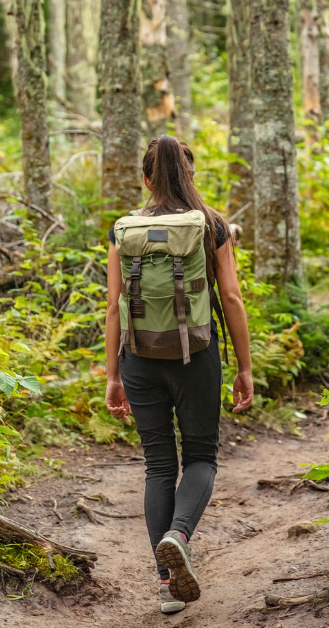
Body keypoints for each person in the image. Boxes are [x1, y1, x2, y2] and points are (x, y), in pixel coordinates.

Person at [104, 135, 255, 615]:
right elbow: (230, 299)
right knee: (202, 458)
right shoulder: (211, 225)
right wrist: (246, 368)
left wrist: (112, 376)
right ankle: (179, 533)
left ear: (145, 179)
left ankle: (167, 584)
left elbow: (113, 307)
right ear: (190, 177)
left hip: (139, 357)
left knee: (158, 466)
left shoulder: (124, 230)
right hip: (196, 357)